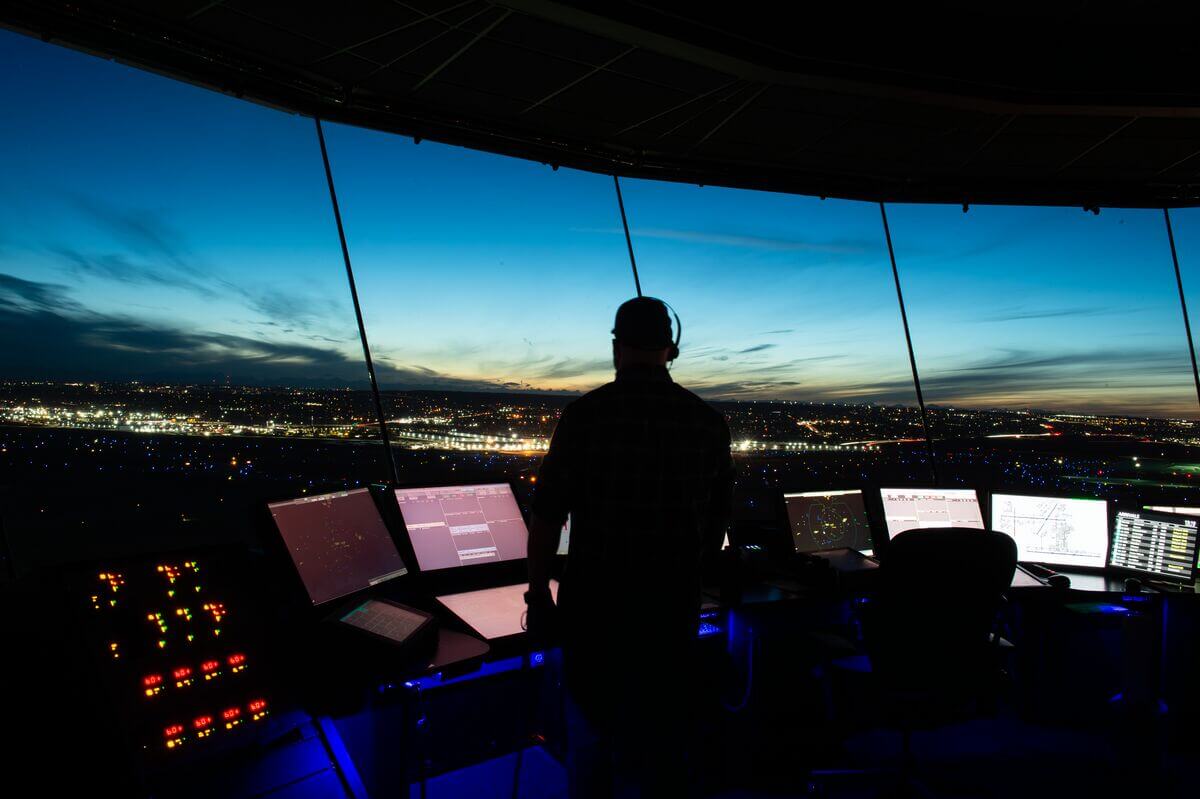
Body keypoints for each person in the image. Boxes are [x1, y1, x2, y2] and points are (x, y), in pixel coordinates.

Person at [525, 296, 735, 798]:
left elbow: (549, 514)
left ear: (616, 348)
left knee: (591, 744)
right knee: (663, 744)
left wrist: (539, 596)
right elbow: (716, 522)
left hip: (593, 611)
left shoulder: (583, 417)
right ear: (672, 349)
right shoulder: (706, 422)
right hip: (670, 611)